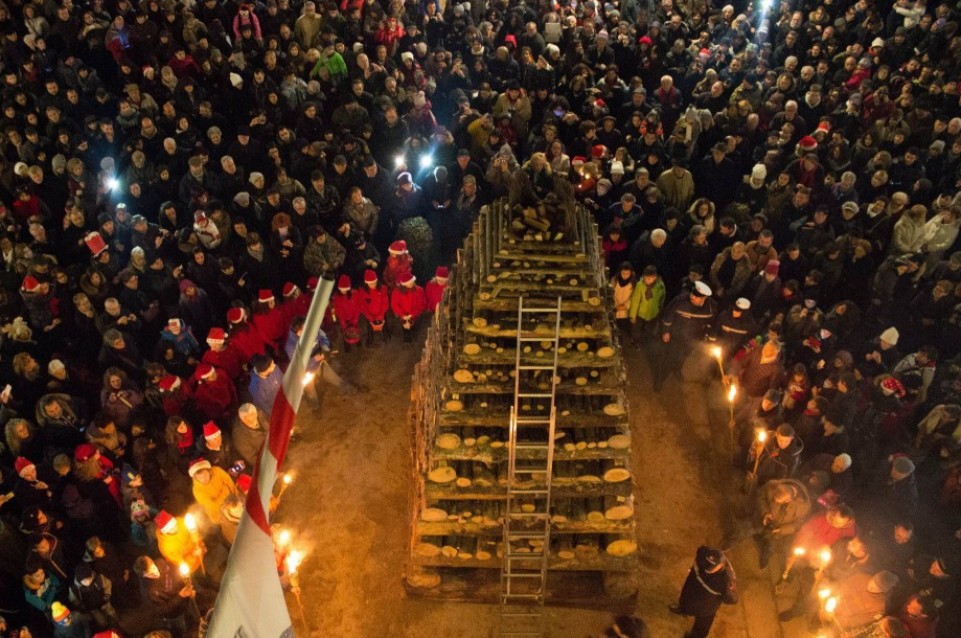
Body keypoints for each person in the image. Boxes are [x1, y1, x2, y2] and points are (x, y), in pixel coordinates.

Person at [653, 280, 717, 390]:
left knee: (683, 356)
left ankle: (677, 369)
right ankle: (660, 378)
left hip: (694, 339)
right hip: (676, 337)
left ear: (703, 299)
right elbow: (668, 315)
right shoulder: (680, 301)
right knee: (669, 357)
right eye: (692, 293)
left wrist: (709, 338)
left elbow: (711, 323)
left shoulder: (711, 308)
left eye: (695, 296)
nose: (691, 296)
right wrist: (666, 331)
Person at [670, 546, 737, 638]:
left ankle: (683, 614)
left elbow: (732, 599)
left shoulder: (726, 580)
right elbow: (731, 599)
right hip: (698, 601)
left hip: (697, 603)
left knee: (696, 620)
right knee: (699, 625)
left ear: (721, 565)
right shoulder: (703, 554)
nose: (706, 569)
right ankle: (683, 611)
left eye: (711, 567)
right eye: (707, 564)